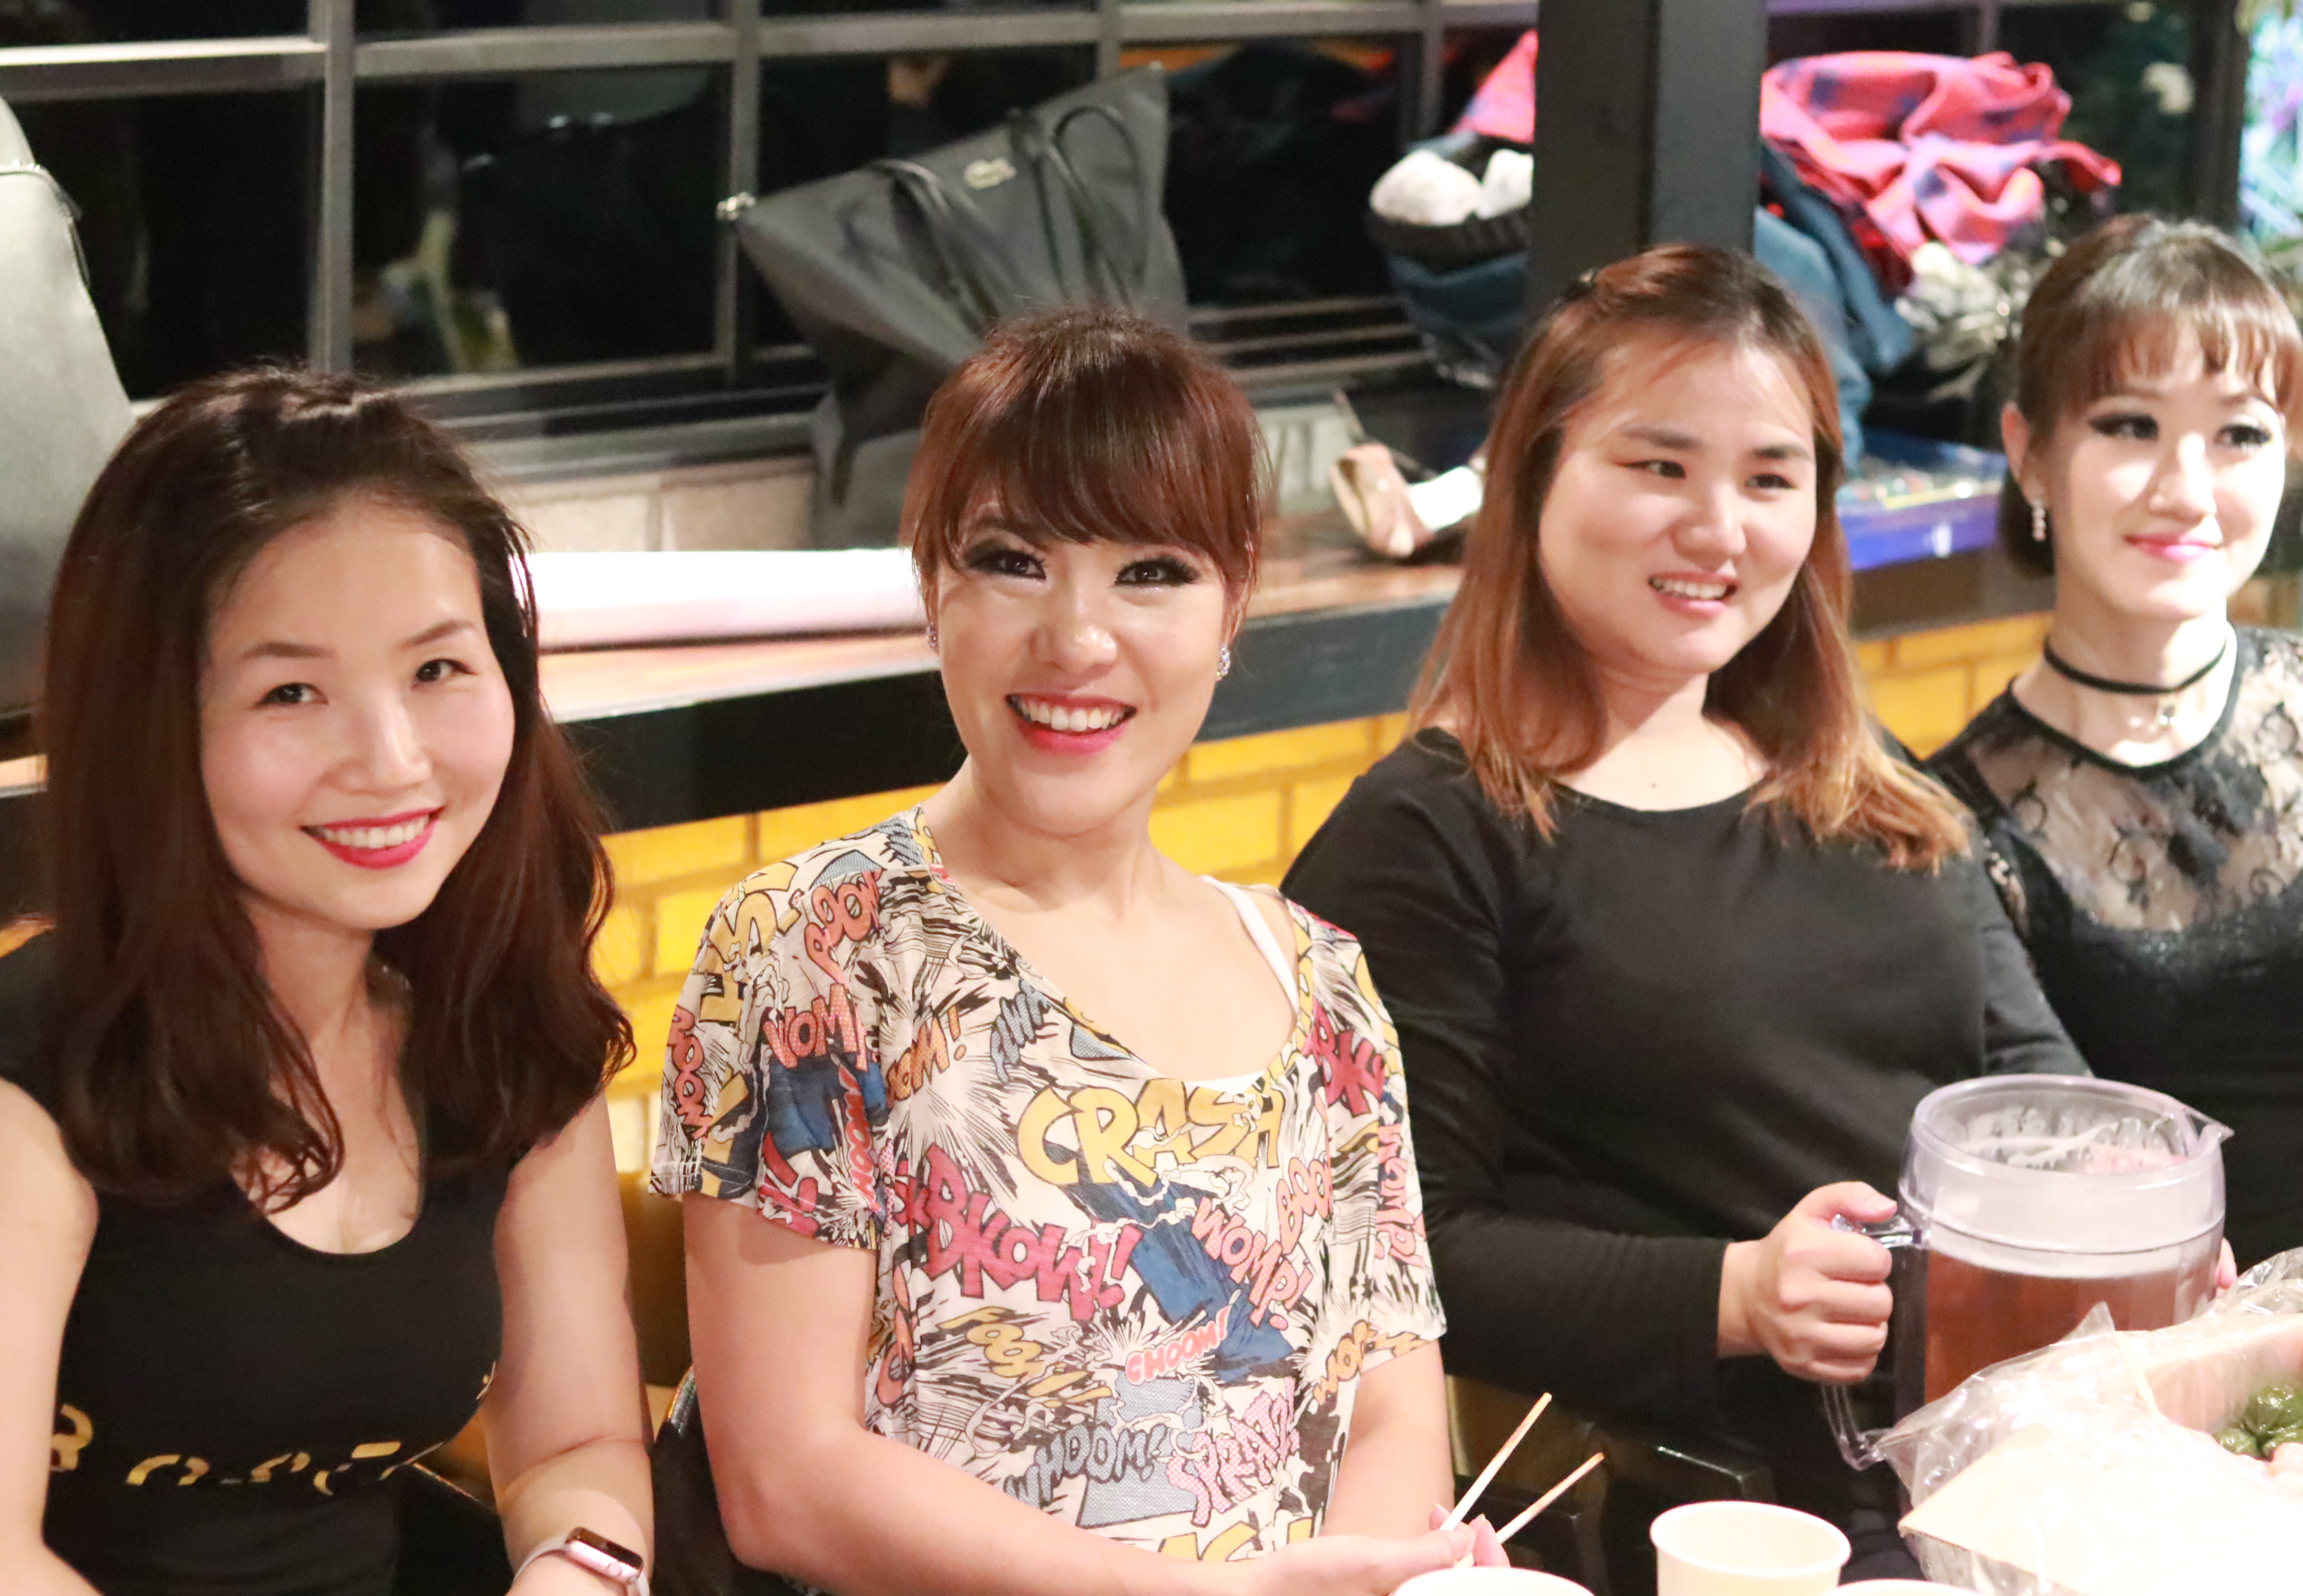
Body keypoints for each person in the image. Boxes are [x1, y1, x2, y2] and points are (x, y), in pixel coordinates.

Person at [653, 308, 1496, 1596]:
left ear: (1234, 602)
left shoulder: (1322, 980)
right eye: (1013, 561)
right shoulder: (815, 950)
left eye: (1151, 571)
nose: (1078, 639)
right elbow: (785, 1483)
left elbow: (1389, 1412)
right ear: (932, 584)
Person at [1279, 245, 2083, 1573]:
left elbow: (2033, 1088)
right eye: (1661, 466)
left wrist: (2133, 1216)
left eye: (1769, 478)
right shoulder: (1432, 831)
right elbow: (1393, 1259)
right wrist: (1738, 1294)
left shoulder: (1863, 782)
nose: (1719, 530)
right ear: (1533, 474)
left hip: (2010, 1474)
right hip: (1719, 1523)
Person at [0, 368, 654, 1596]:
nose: (391, 759)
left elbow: (577, 1444)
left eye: (437, 670)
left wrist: (581, 1569)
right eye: (291, 691)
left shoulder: (499, 1029)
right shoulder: (37, 1074)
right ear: (153, 723)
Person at [1927, 216, 2303, 1271]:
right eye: (2130, 426)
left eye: (2240, 435)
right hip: (2157, 1353)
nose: (2186, 490)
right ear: (2029, 454)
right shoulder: (1958, 827)